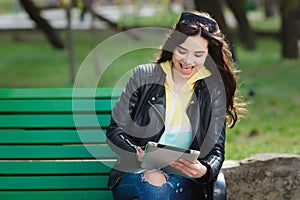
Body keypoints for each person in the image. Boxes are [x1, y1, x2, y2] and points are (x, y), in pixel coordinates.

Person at [106, 10, 246, 200]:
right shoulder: (143, 76)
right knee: (154, 182)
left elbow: (216, 151)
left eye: (198, 54)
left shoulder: (213, 90)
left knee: (162, 189)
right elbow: (115, 130)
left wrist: (203, 170)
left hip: (184, 180)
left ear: (207, 56)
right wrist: (136, 154)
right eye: (182, 51)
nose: (188, 61)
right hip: (136, 175)